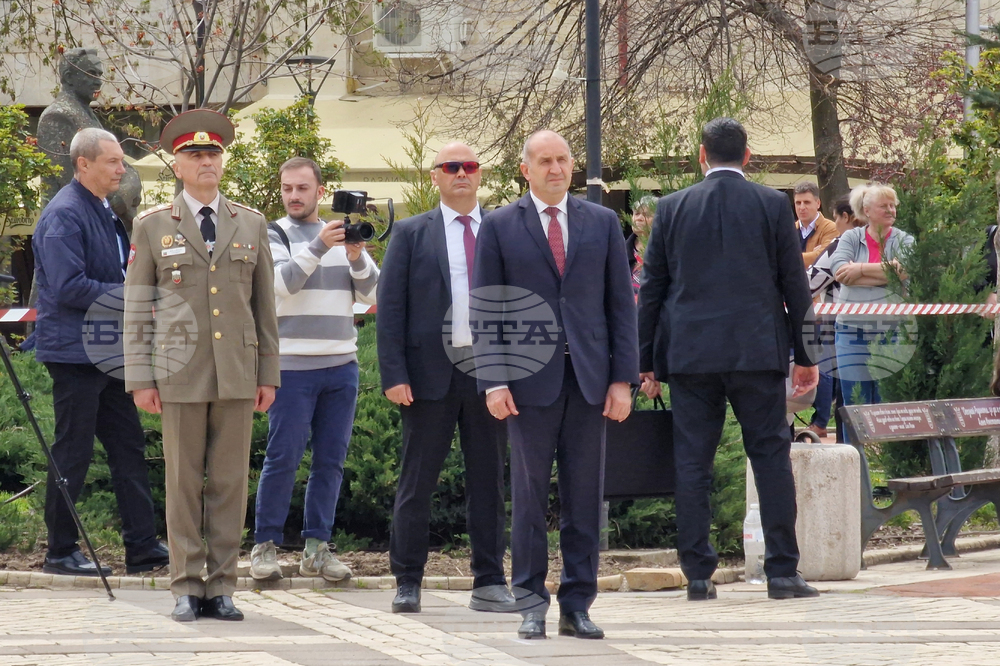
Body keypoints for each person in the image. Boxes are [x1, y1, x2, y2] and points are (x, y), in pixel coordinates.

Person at [637, 117, 820, 602]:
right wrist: (806, 354)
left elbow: (652, 288)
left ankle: (698, 575)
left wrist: (646, 361)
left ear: (702, 155)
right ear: (747, 156)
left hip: (690, 355)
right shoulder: (771, 205)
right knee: (770, 457)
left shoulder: (672, 208)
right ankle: (782, 572)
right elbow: (793, 283)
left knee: (692, 462)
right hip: (756, 351)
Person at [473, 130, 638, 640]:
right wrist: (494, 380)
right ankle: (529, 603)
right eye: (544, 161)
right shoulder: (500, 225)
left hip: (589, 381)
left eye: (563, 160)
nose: (555, 169)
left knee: (584, 498)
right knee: (527, 499)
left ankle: (577, 604)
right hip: (526, 386)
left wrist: (622, 379)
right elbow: (486, 308)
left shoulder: (603, 222)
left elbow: (620, 307)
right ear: (526, 169)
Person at [124, 109, 280, 623]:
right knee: (183, 481)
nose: (206, 161)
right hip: (178, 372)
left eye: (213, 153)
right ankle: (186, 585)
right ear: (177, 165)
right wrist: (140, 377)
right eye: (195, 154)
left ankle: (223, 586)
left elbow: (264, 310)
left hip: (237, 371)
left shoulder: (251, 223)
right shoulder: (152, 227)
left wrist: (268, 374)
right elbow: (136, 307)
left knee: (231, 483)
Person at [377, 142, 512, 615]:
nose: (461, 174)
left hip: (489, 375)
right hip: (427, 375)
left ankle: (490, 580)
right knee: (416, 482)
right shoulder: (412, 233)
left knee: (489, 480)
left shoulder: (502, 229)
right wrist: (393, 372)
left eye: (470, 167)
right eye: (452, 167)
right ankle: (408, 581)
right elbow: (390, 308)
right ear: (435, 176)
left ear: (480, 176)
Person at [32, 127, 168, 577]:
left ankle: (142, 547)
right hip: (74, 353)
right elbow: (69, 287)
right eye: (112, 161)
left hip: (107, 349)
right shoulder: (65, 214)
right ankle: (60, 551)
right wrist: (134, 295)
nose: (121, 169)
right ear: (83, 164)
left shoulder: (103, 208)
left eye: (121, 161)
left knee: (128, 446)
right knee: (73, 450)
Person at [249, 157, 378, 583]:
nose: (293, 196)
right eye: (287, 188)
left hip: (342, 365)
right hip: (291, 368)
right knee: (282, 458)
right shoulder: (274, 233)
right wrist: (321, 245)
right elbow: (278, 290)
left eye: (302, 188)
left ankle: (317, 549)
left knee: (331, 461)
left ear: (320, 192)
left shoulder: (340, 235)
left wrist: (356, 255)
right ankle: (264, 546)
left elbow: (373, 291)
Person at [829, 183, 914, 409]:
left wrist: (859, 270)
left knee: (888, 402)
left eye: (893, 206)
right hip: (851, 331)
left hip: (892, 330)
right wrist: (888, 273)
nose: (891, 210)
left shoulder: (905, 240)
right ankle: (855, 447)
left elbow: (904, 270)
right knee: (855, 402)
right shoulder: (850, 238)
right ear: (867, 211)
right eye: (883, 206)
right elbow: (840, 272)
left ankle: (885, 446)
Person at [805, 196, 863, 440]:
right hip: (880, 325)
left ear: (846, 217)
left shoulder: (841, 245)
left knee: (834, 376)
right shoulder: (877, 243)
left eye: (836, 218)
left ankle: (832, 431)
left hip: (841, 325)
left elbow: (810, 281)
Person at [793, 181, 838, 269]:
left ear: (818, 203)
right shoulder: (789, 230)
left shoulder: (831, 228)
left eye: (807, 202)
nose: (802, 207)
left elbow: (823, 260)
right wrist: (813, 255)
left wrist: (789, 257)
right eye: (798, 203)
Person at [626, 196, 656, 297]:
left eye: (646, 214)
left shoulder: (664, 250)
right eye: (637, 213)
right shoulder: (621, 250)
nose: (639, 218)